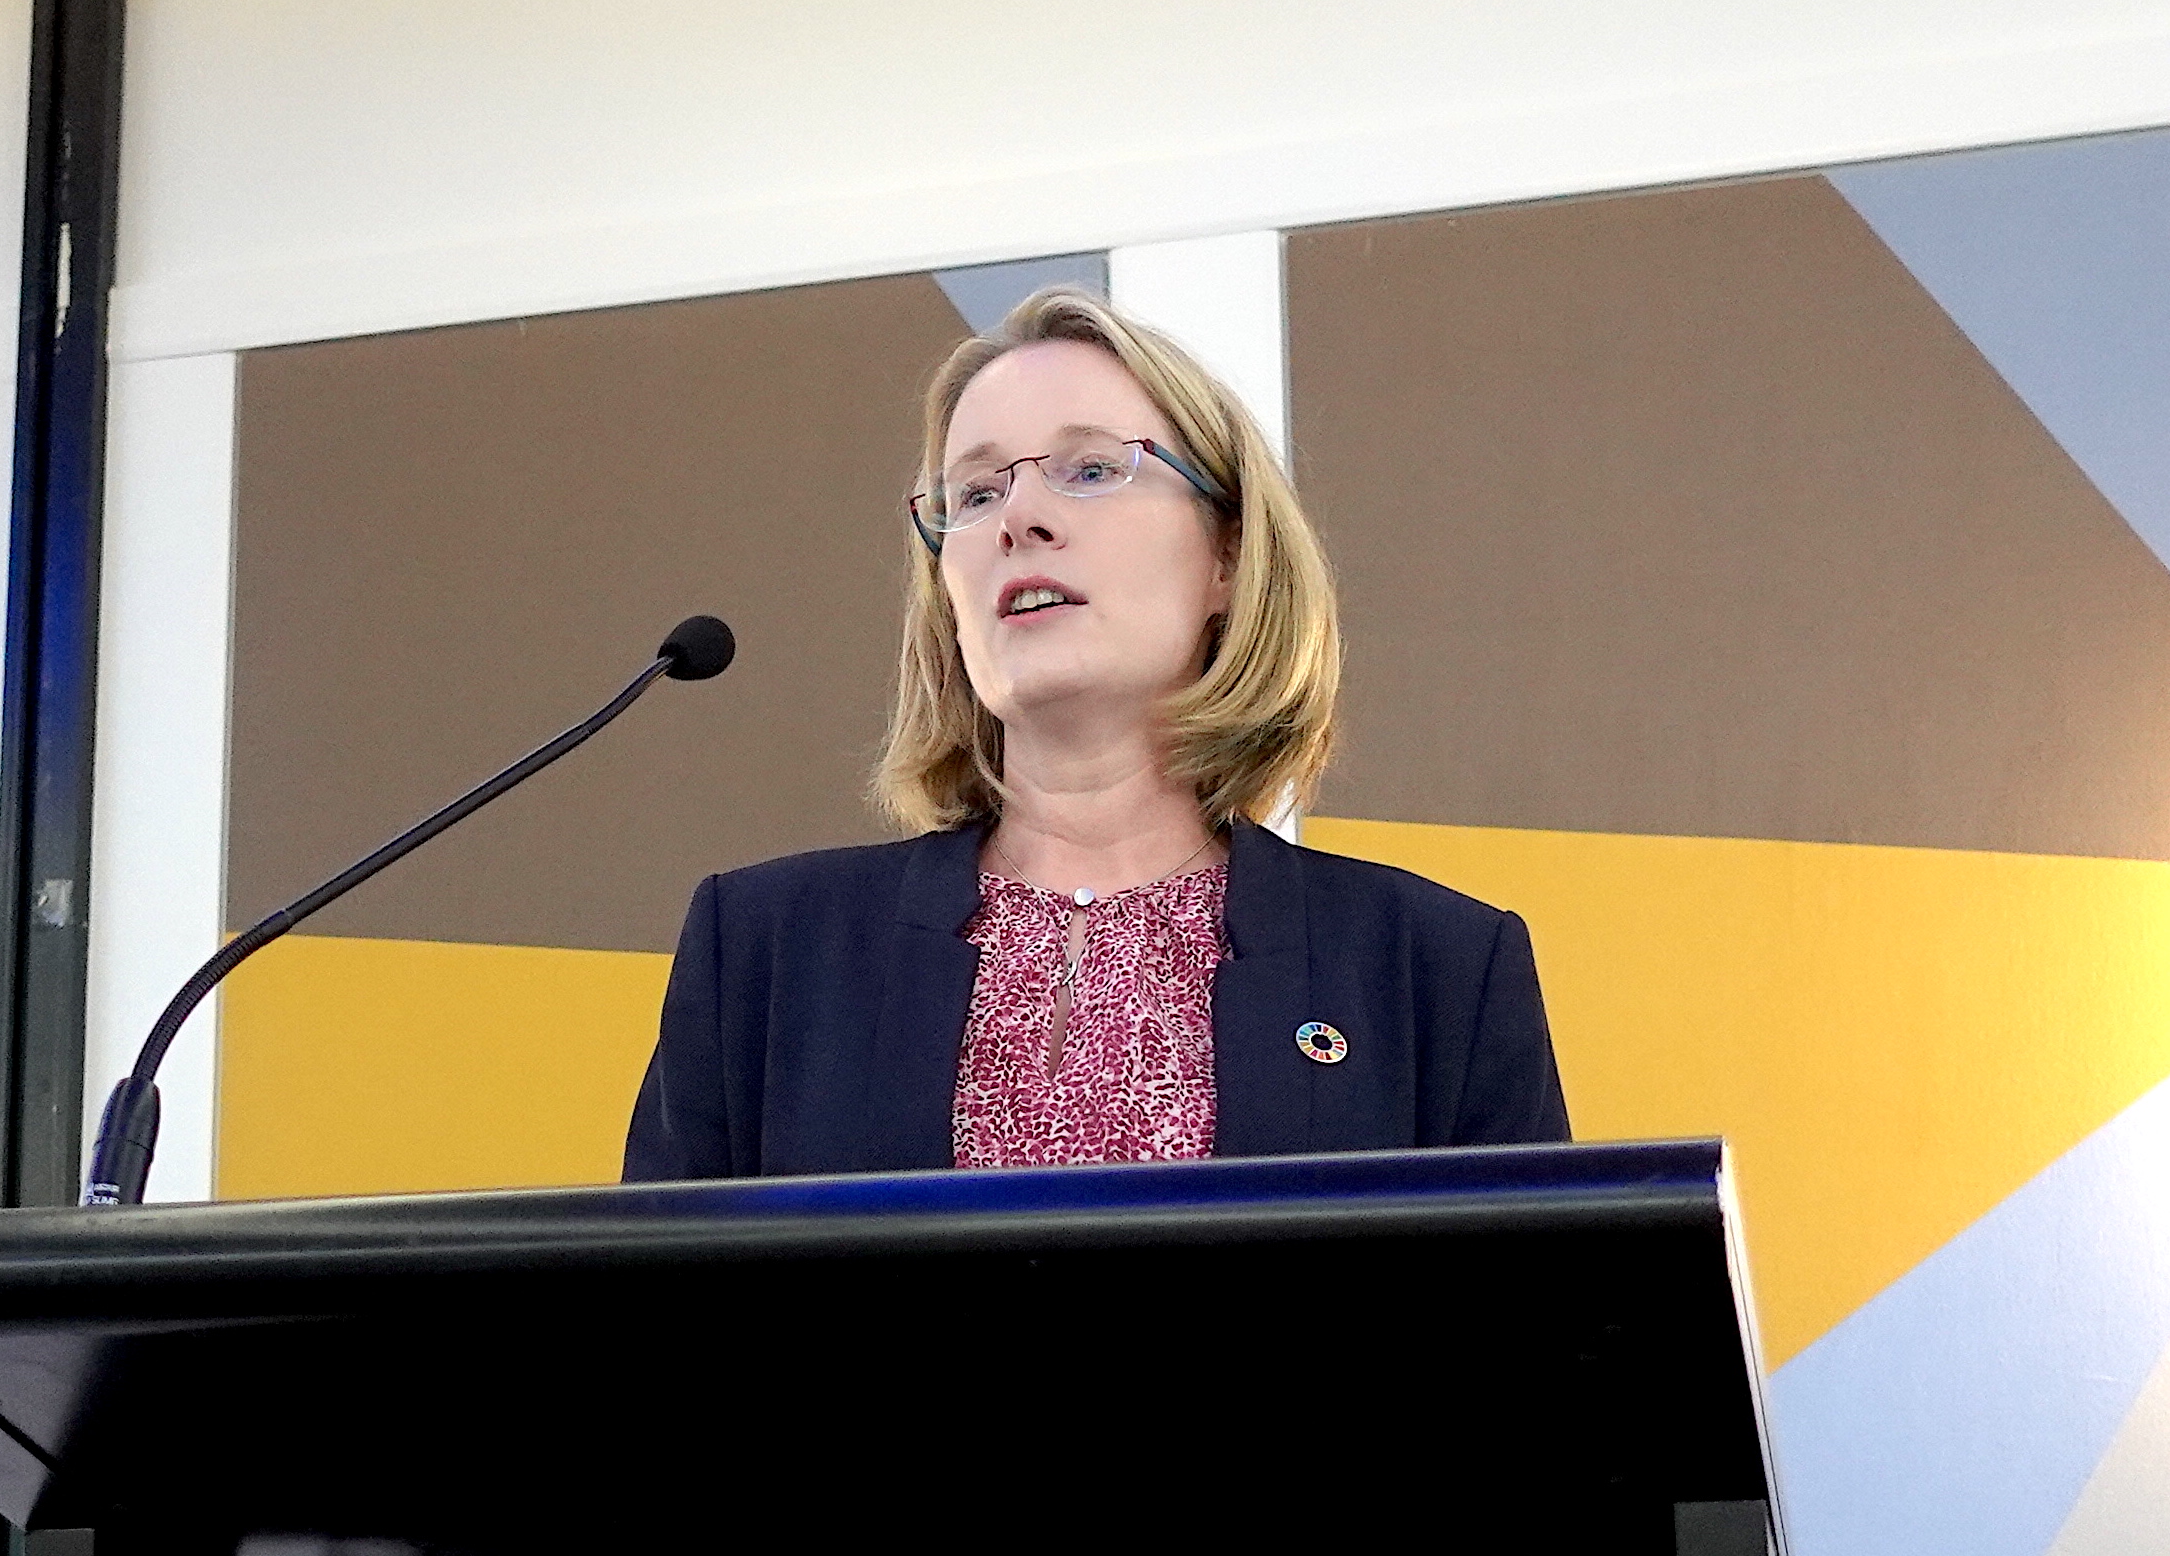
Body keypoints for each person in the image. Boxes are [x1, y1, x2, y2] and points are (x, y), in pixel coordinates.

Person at [623, 288, 1567, 1180]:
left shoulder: (1435, 970)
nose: (1020, 518)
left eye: (1090, 470)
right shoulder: (765, 951)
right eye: (975, 493)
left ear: (1228, 555)